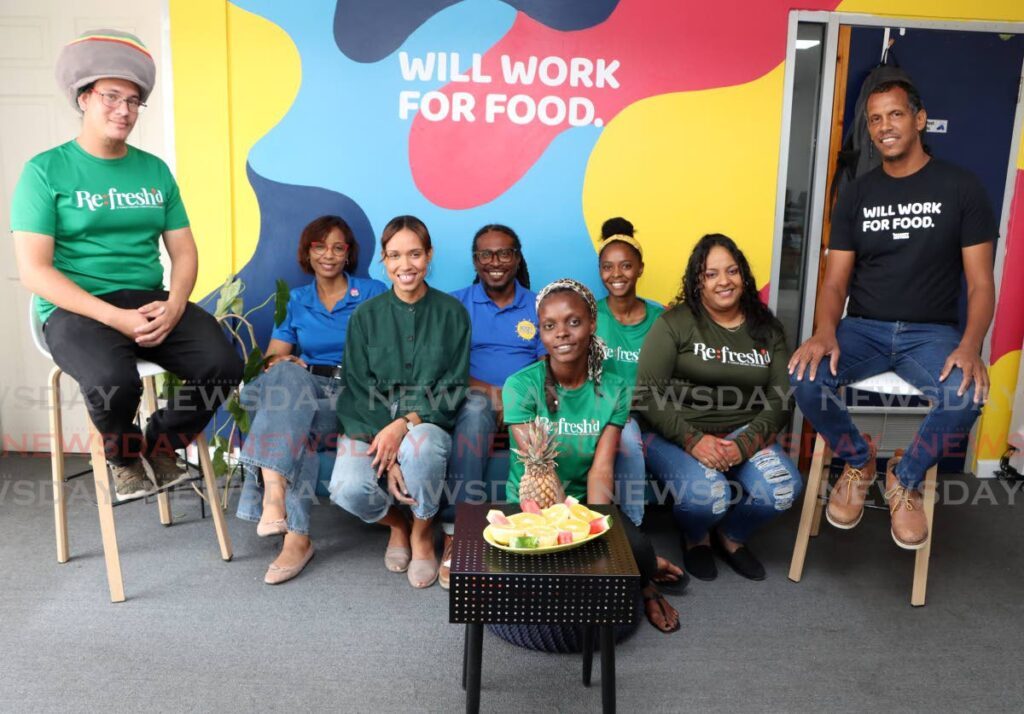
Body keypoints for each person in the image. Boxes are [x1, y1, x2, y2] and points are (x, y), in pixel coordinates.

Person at [11, 29, 242, 500]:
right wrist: (113, 317)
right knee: (115, 381)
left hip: (147, 299)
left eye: (134, 101)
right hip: (75, 307)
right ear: (83, 98)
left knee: (222, 362)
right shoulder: (44, 171)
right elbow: (35, 271)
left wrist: (176, 305)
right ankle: (122, 454)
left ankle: (160, 445)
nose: (124, 110)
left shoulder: (154, 170)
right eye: (111, 97)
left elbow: (184, 251)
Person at [789, 79, 996, 550]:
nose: (885, 127)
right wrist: (825, 331)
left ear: (919, 120)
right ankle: (858, 460)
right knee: (804, 376)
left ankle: (904, 476)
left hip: (932, 334)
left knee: (967, 396)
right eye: (876, 119)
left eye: (895, 115)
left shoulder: (960, 187)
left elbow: (981, 283)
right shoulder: (858, 194)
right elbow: (836, 281)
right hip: (862, 327)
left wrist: (970, 347)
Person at [503, 279, 684, 633]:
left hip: (586, 506)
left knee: (637, 551)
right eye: (549, 326)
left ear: (592, 324)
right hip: (531, 509)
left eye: (573, 322)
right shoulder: (520, 386)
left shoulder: (614, 388)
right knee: (551, 600)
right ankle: (639, 574)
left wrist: (595, 528)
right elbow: (541, 472)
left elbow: (601, 471)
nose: (562, 334)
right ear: (540, 332)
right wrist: (566, 535)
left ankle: (644, 578)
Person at [635, 234, 801, 581]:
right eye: (711, 274)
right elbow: (645, 394)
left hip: (742, 431)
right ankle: (696, 538)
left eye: (732, 271)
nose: (724, 281)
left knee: (782, 489)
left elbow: (781, 398)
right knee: (708, 496)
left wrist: (744, 444)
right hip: (676, 433)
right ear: (698, 281)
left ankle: (731, 536)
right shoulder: (675, 323)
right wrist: (693, 439)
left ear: (743, 276)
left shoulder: (766, 328)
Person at [235, 216, 386, 584]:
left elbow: (386, 353)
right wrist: (282, 360)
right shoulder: (297, 301)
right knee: (284, 378)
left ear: (348, 253)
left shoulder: (371, 292)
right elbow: (272, 358)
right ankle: (277, 501)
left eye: (338, 247)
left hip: (354, 394)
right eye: (320, 247)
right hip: (308, 388)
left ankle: (295, 535)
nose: (329, 255)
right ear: (308, 252)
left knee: (290, 419)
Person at [329, 215, 470, 589]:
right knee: (346, 487)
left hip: (426, 417)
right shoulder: (365, 317)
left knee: (421, 451)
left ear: (429, 256)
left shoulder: (452, 314)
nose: (405, 266)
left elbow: (454, 386)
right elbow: (358, 388)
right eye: (394, 256)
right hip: (370, 416)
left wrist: (404, 426)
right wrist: (386, 445)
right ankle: (397, 524)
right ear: (384, 260)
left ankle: (423, 534)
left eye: (414, 254)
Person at [441, 224, 544, 588]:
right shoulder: (454, 304)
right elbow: (447, 369)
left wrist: (513, 398)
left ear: (517, 258)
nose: (495, 262)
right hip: (472, 400)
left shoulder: (538, 304)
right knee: (473, 411)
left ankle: (536, 532)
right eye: (486, 254)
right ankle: (457, 531)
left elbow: (550, 368)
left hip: (529, 401)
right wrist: (491, 394)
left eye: (504, 253)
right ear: (475, 260)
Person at [594, 216, 663, 527]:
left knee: (631, 432)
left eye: (625, 265)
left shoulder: (661, 319)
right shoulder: (590, 314)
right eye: (607, 267)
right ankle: (633, 529)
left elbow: (669, 379)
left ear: (640, 268)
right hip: (607, 412)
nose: (616, 274)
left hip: (652, 411)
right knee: (627, 438)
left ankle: (632, 534)